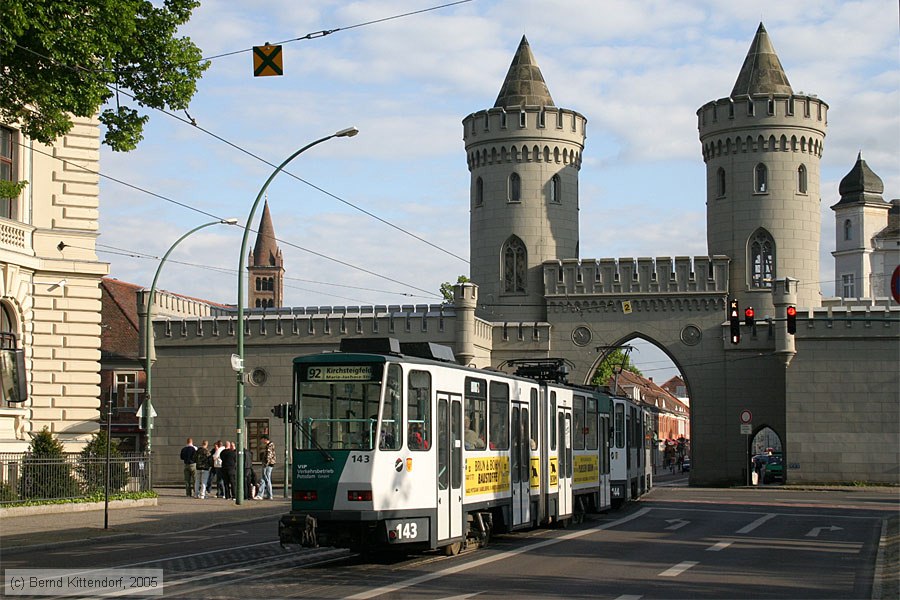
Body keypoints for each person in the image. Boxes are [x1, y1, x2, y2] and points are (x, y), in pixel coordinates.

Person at [257, 435, 275, 500]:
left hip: (267, 464)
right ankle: (266, 495)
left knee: (266, 479)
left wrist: (266, 464)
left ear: (265, 439)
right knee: (265, 479)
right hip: (269, 464)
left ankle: (266, 495)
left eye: (262, 440)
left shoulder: (269, 445)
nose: (261, 441)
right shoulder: (270, 445)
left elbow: (269, 456)